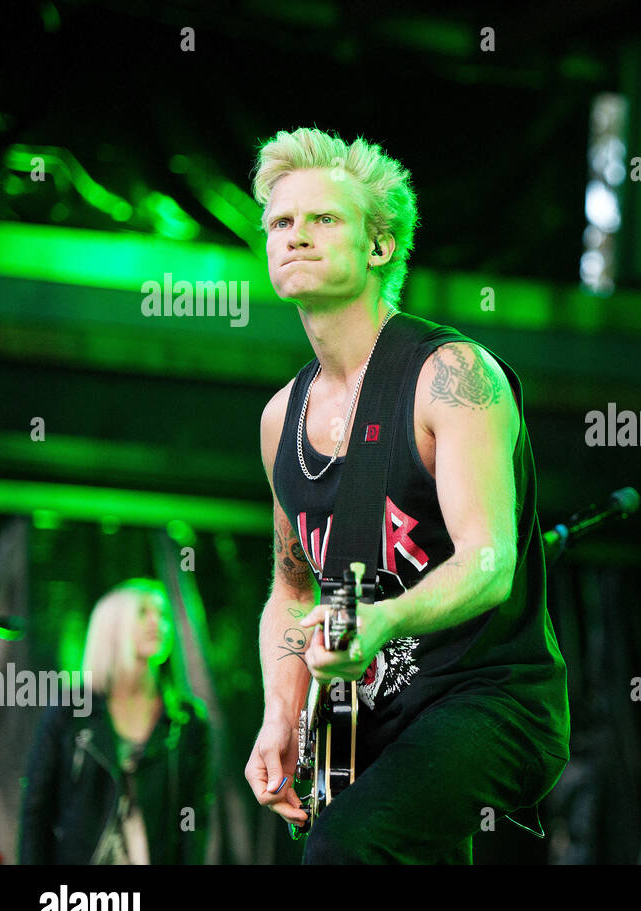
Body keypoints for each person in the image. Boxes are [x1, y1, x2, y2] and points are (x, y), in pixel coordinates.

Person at [242, 127, 570, 864]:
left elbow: (490, 559)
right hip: (370, 718)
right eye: (281, 223)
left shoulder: (453, 374)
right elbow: (293, 589)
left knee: (345, 848)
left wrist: (381, 620)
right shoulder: (279, 420)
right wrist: (281, 712)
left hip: (488, 699)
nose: (296, 235)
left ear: (379, 246)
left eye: (324, 218)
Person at [19, 579, 212, 864]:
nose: (157, 623)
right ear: (111, 625)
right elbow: (37, 811)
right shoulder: (70, 712)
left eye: (164, 615)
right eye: (143, 612)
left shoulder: (186, 720)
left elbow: (195, 819)